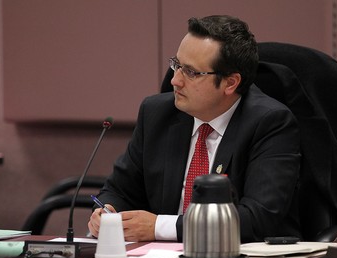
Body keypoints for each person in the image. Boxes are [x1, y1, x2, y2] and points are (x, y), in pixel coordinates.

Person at [88, 15, 301, 243]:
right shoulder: (156, 114)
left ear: (230, 83)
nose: (175, 80)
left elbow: (256, 218)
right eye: (176, 65)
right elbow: (120, 190)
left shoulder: (270, 123)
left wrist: (159, 227)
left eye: (190, 72)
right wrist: (106, 212)